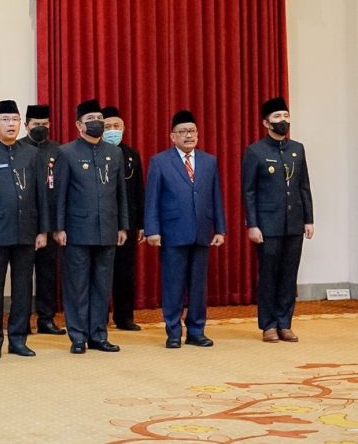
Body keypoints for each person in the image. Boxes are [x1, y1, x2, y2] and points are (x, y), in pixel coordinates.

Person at [0, 100, 49, 359]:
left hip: (26, 232)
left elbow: (40, 195)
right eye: (5, 120)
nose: (11, 124)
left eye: (14, 119)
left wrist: (43, 230)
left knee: (23, 289)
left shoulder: (32, 154)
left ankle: (18, 339)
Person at [144, 110, 226, 349]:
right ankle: (173, 332)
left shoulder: (209, 161)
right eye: (183, 132)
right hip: (172, 233)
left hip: (202, 232)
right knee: (173, 285)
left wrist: (220, 229)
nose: (189, 136)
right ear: (173, 136)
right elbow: (152, 199)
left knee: (198, 286)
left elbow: (216, 196)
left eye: (192, 131)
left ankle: (196, 331)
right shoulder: (160, 161)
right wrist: (152, 230)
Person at [54, 99, 128, 355]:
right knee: (77, 286)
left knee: (102, 286)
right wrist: (59, 227)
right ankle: (78, 336)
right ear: (79, 125)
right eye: (90, 119)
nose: (96, 123)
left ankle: (99, 335)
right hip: (77, 230)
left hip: (108, 229)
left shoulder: (114, 153)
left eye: (99, 119)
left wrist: (123, 226)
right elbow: (60, 194)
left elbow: (120, 193)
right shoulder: (66, 152)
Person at [241, 97, 314, 343]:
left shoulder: (297, 149)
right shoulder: (255, 151)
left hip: (294, 223)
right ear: (266, 123)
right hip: (267, 226)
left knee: (289, 275)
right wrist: (252, 224)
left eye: (285, 116)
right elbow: (249, 192)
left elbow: (304, 186)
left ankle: (285, 324)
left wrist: (309, 220)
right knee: (269, 276)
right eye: (277, 117)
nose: (283, 120)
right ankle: (269, 325)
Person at [21, 104, 65, 335]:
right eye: (36, 124)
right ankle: (22, 320)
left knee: (48, 274)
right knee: (22, 274)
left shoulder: (58, 151)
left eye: (45, 124)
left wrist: (58, 226)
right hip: (25, 221)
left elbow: (63, 189)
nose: (41, 127)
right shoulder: (18, 148)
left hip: (50, 221)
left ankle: (46, 319)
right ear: (26, 125)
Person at [101, 106, 145, 331]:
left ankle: (124, 316)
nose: (112, 130)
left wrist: (141, 224)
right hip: (101, 222)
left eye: (116, 126)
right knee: (101, 272)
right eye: (107, 127)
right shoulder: (94, 153)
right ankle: (100, 317)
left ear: (124, 128)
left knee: (125, 271)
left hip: (128, 223)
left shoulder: (131, 155)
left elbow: (138, 190)